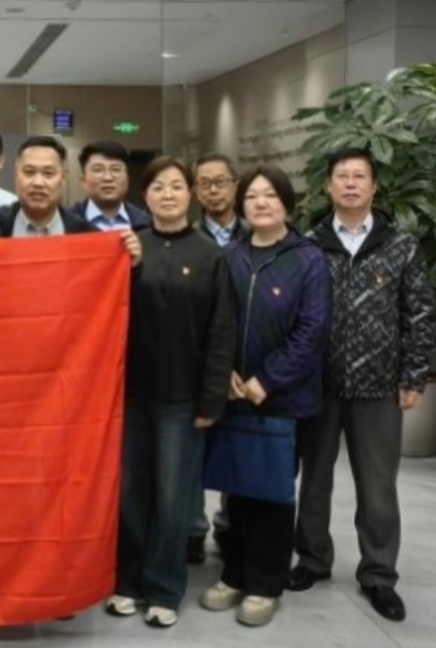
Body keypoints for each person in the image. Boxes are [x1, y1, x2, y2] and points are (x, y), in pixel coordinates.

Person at [290, 148, 436, 622]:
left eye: (359, 176)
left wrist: (413, 374)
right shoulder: (308, 244)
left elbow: (419, 313)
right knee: (314, 480)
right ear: (328, 186)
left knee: (378, 486)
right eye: (342, 176)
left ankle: (378, 574)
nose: (351, 183)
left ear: (374, 186)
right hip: (319, 384)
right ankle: (313, 559)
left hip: (379, 386)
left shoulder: (401, 245)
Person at [198, 164, 331, 627]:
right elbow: (215, 320)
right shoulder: (231, 256)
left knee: (273, 494)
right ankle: (234, 573)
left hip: (285, 399)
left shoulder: (308, 259)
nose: (260, 203)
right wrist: (228, 374)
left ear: (287, 204)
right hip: (235, 394)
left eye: (270, 195)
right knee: (238, 489)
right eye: (253, 196)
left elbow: (312, 331)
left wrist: (266, 380)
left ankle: (265, 584)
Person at [109, 156, 236, 629]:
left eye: (177, 186)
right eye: (158, 186)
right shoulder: (129, 246)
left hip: (182, 400)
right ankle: (128, 582)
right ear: (145, 196)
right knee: (130, 494)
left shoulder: (210, 255)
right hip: (130, 395)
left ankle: (164, 588)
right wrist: (128, 268)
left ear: (191, 194)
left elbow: (222, 333)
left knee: (172, 497)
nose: (167, 194)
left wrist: (211, 400)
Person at [187, 152, 247, 564]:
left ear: (235, 186)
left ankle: (230, 527)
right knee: (193, 454)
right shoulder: (186, 237)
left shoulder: (258, 233)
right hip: (196, 364)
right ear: (195, 191)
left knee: (238, 452)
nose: (213, 189)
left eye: (220, 182)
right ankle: (193, 529)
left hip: (247, 366)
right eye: (204, 183)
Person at [0, 135, 142, 264]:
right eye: (29, 172)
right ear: (16, 176)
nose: (38, 182)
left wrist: (133, 264)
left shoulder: (87, 234)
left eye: (48, 173)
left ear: (63, 178)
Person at [67, 141, 151, 231]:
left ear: (127, 179)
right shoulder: (66, 223)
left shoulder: (149, 223)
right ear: (84, 181)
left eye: (116, 169)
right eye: (98, 170)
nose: (108, 178)